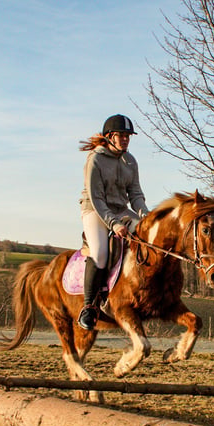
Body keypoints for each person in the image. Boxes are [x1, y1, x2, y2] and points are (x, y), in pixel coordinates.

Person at [77, 114, 150, 330]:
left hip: (121, 209)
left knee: (149, 237)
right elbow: (97, 198)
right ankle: (89, 307)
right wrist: (114, 224)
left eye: (128, 136)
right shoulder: (95, 159)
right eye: (122, 135)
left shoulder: (130, 161)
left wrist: (146, 216)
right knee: (100, 252)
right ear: (110, 137)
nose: (126, 139)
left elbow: (135, 193)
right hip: (95, 210)